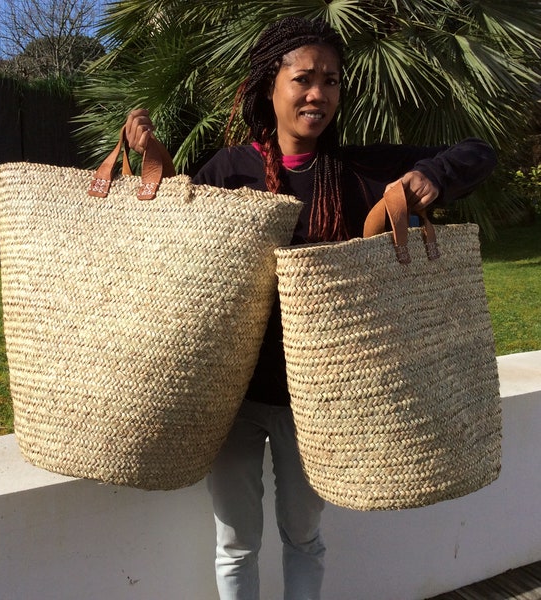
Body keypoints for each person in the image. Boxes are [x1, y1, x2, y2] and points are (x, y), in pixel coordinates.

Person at [125, 16, 497, 600]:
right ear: (269, 87)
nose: (318, 93)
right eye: (303, 78)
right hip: (235, 399)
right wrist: (152, 158)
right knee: (236, 543)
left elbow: (479, 151)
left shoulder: (357, 172)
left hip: (319, 402)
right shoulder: (227, 172)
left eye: (331, 79)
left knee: (304, 539)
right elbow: (176, 246)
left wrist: (433, 174)